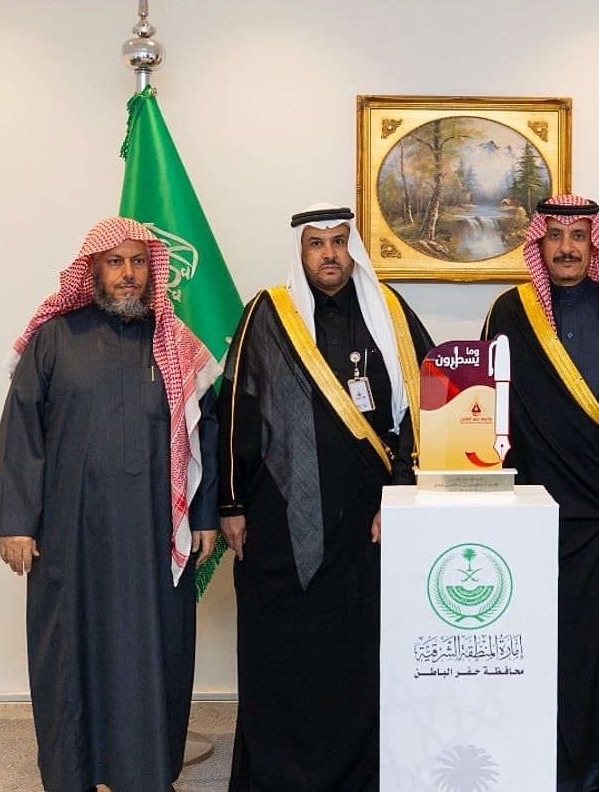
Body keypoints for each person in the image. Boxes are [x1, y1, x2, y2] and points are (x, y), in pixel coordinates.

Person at [0, 217, 220, 791]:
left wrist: (205, 516)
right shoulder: (53, 339)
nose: (128, 274)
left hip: (154, 534)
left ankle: (146, 771)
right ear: (93, 268)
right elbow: (21, 432)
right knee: (70, 651)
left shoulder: (175, 345)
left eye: (138, 262)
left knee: (155, 650)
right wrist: (17, 523)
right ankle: (73, 771)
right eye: (115, 262)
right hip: (70, 533)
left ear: (152, 270)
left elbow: (205, 434)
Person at [219, 203, 433, 791]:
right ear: (300, 251)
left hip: (370, 516)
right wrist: (231, 503)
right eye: (316, 244)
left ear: (353, 248)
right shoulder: (269, 313)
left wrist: (401, 496)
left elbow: (429, 402)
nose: (330, 254)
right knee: (287, 647)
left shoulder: (390, 311)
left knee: (357, 647)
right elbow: (235, 409)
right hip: (282, 516)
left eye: (339, 241)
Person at [481, 194, 599, 792]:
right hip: (537, 513)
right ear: (538, 243)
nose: (566, 248)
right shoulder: (510, 312)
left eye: (578, 236)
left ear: (595, 244)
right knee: (538, 647)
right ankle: (535, 766)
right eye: (556, 235)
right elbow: (487, 411)